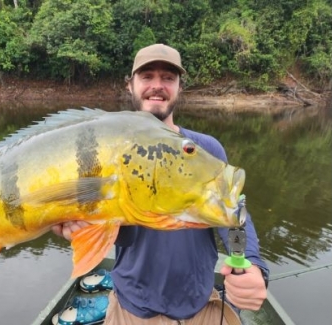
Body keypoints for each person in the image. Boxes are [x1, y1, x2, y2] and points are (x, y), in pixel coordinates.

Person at [52, 43, 269, 325]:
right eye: (147, 76)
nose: (158, 86)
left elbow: (234, 214)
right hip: (131, 310)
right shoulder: (108, 150)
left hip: (200, 309)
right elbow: (121, 234)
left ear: (179, 87)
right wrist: (81, 224)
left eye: (168, 77)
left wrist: (249, 261)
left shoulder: (207, 149)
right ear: (130, 85)